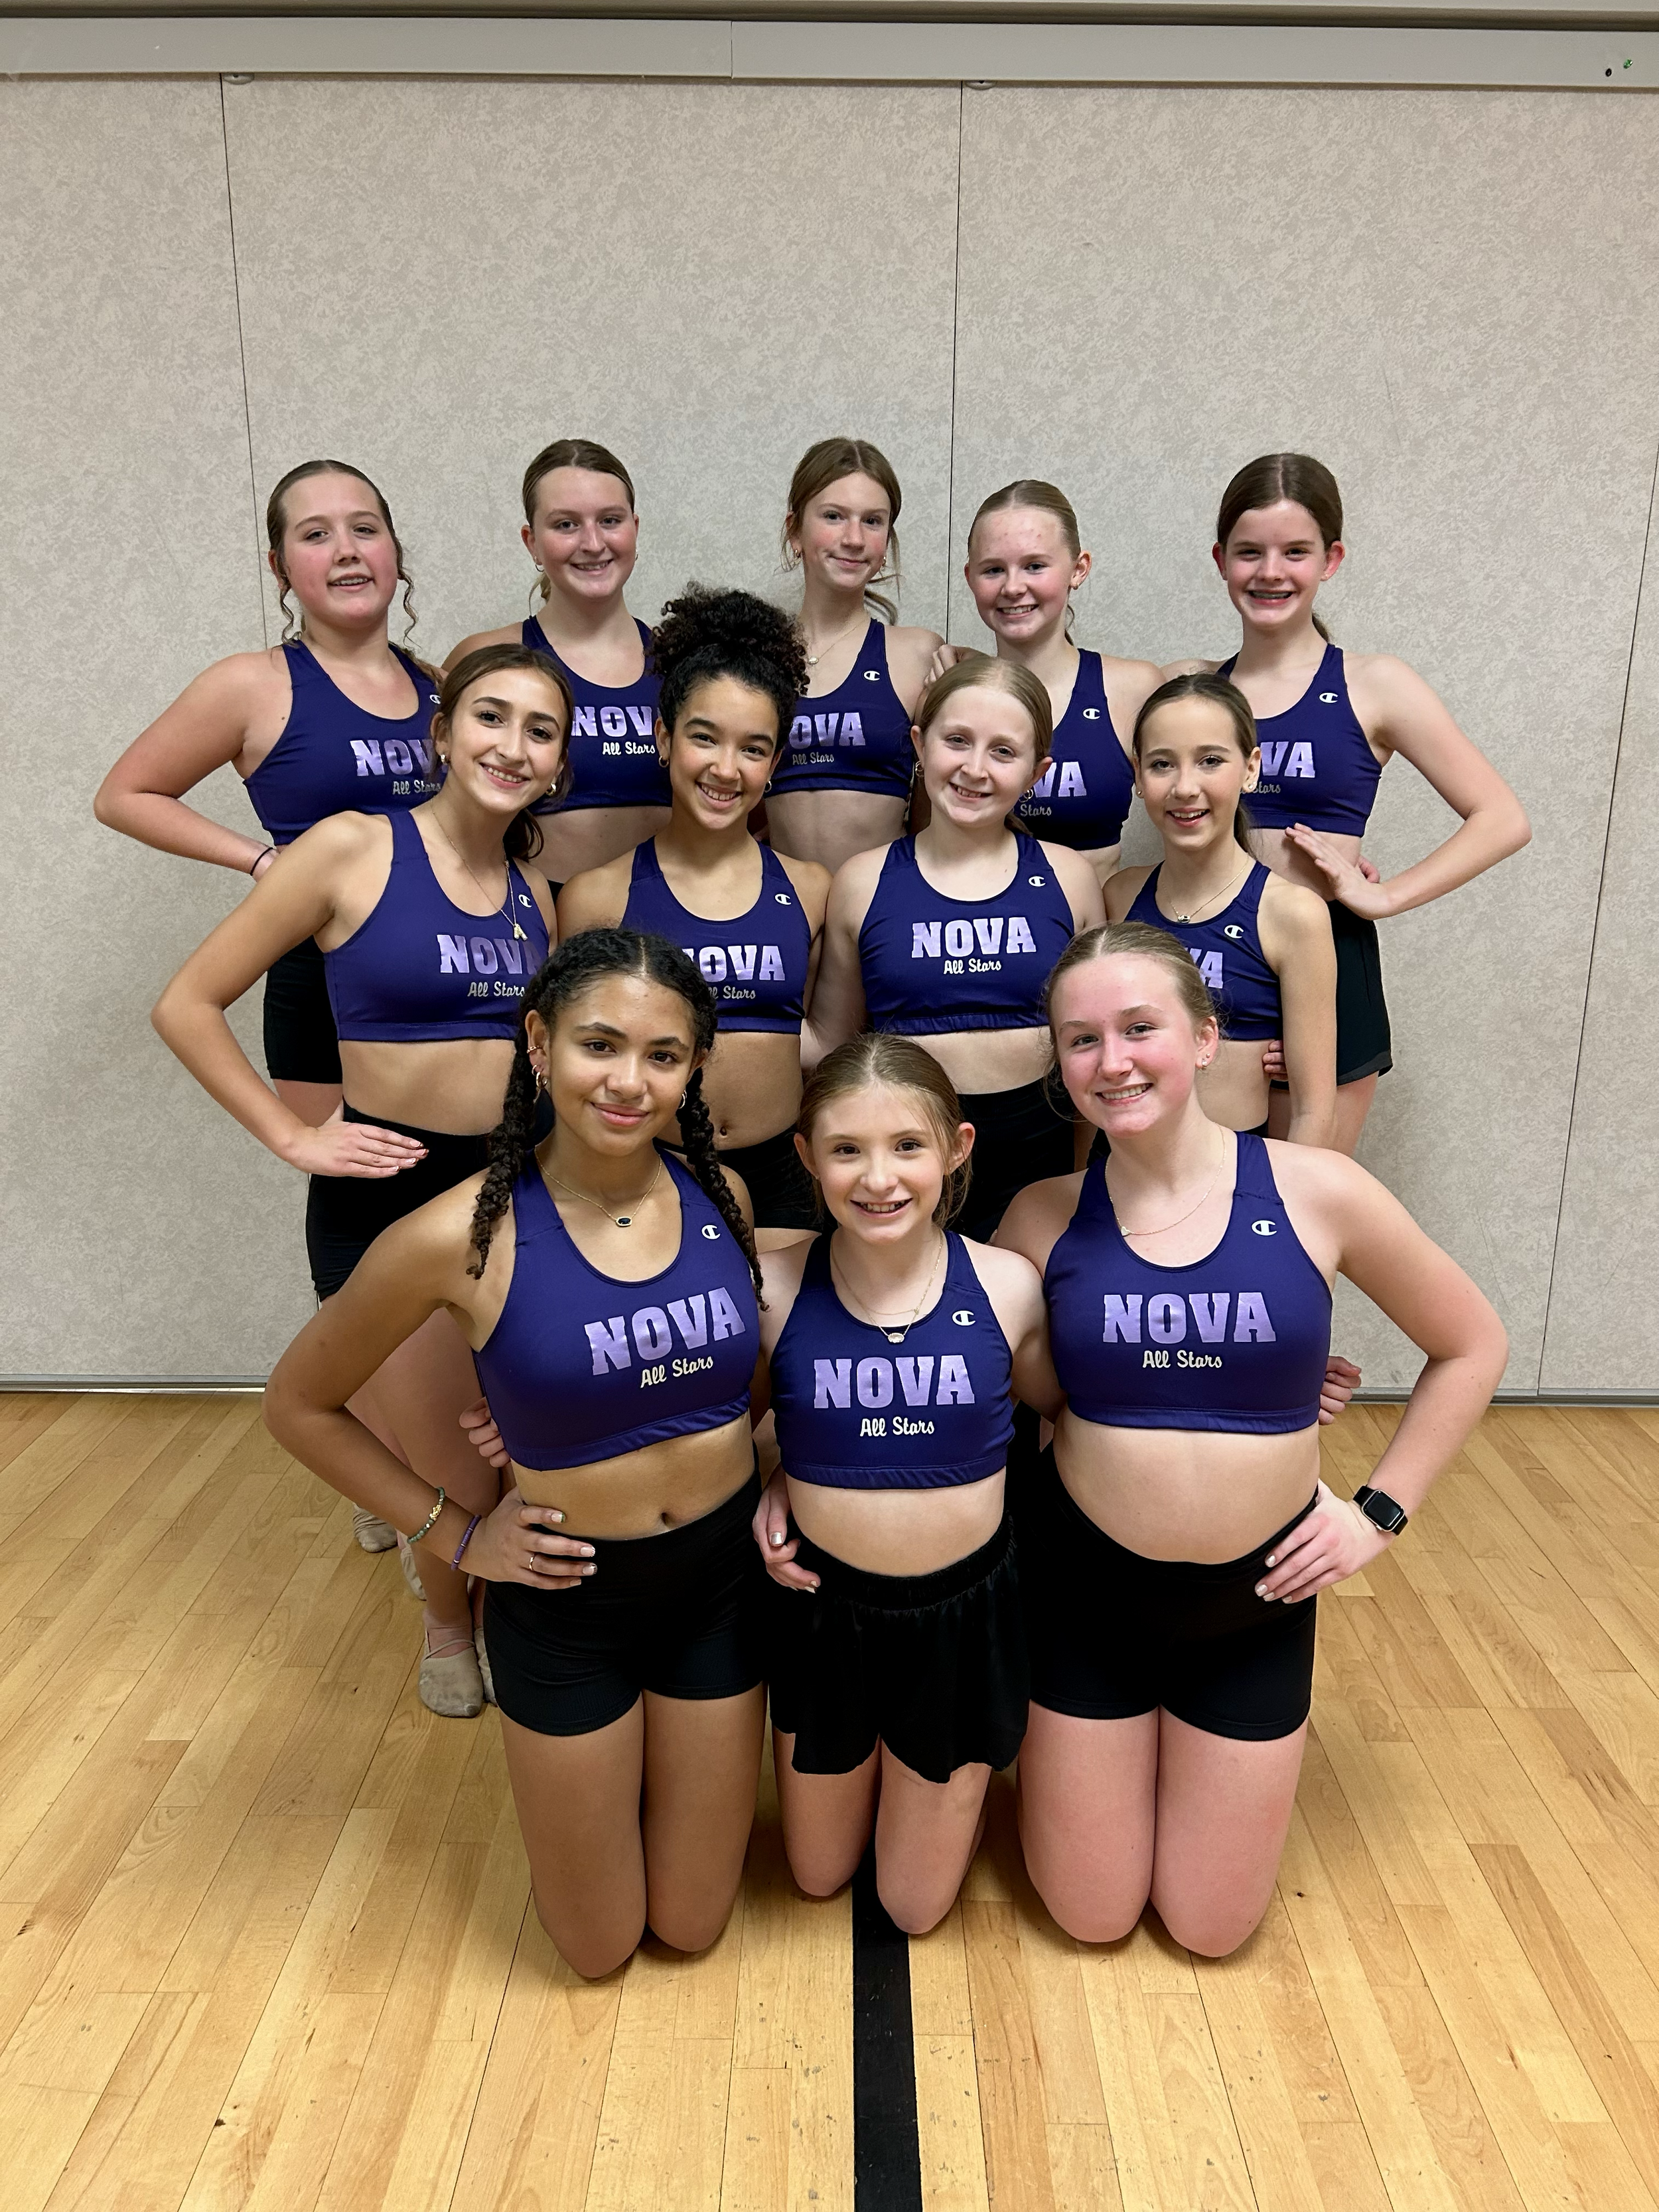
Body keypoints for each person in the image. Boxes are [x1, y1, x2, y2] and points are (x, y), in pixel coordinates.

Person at [265, 928, 768, 1981]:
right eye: (600, 1044)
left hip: (718, 1590)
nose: (629, 1081)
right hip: (568, 1600)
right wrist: (454, 1531)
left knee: (692, 1923)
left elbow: (732, 1380)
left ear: (693, 1070)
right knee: (594, 1949)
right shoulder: (454, 1237)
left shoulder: (726, 1199)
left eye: (664, 1056)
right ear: (538, 1042)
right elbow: (299, 1404)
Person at [997, 922, 1506, 1956]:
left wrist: (1378, 1517)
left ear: (1205, 1037)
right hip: (1087, 1593)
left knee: (1211, 1927)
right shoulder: (1042, 1216)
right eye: (1082, 1038)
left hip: (1257, 1601)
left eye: (1141, 1027)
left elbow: (1473, 1344)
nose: (1113, 1059)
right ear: (1060, 1062)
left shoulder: (1318, 1189)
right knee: (1091, 1916)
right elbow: (1023, 1389)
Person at [153, 645, 568, 1711]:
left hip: (500, 1198)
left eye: (539, 729)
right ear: (441, 732)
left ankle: (467, 1579)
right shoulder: (349, 848)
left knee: (508, 1446)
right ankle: (444, 1615)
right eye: (490, 717)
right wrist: (294, 1138)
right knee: (461, 1478)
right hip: (385, 1198)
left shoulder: (534, 893)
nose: (511, 746)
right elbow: (187, 1004)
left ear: (560, 764)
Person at [751, 1035, 1054, 1933]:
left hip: (961, 1617)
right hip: (822, 1612)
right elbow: (725, 1422)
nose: (877, 1177)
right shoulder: (773, 1288)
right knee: (813, 1875)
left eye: (907, 1147)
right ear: (807, 1157)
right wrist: (780, 1477)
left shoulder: (1007, 1287)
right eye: (847, 1149)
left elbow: (1074, 1413)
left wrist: (1271, 1387)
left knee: (915, 1909)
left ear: (959, 1148)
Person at [1169, 452, 1530, 1151]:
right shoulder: (1190, 685)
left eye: (1294, 552)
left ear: (1330, 559)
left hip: (1325, 967)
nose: (1270, 572)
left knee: (1299, 1217)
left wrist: (1383, 896)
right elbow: (1065, 711)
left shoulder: (1375, 684)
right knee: (1196, 1211)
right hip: (1211, 966)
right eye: (1249, 552)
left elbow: (1501, 818)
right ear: (1220, 560)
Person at [95, 459, 441, 1128]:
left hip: (447, 976)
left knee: (477, 1200)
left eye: (364, 529)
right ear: (280, 567)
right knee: (362, 1193)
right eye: (315, 535)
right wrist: (261, 862)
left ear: (394, 552)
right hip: (324, 984)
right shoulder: (250, 685)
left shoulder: (446, 685)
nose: (346, 550)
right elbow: (125, 795)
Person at [558, 587, 830, 1228]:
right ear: (664, 737)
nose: (725, 768)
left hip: (786, 1170)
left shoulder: (813, 887)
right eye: (704, 737)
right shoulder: (597, 895)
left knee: (783, 1330)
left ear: (775, 762)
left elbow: (826, 1040)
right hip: (650, 1169)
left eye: (753, 748)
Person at [809, 660, 1104, 1240]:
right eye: (957, 741)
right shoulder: (862, 882)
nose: (974, 768)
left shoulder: (1069, 878)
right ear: (920, 745)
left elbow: (1098, 1042)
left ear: (1037, 771)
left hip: (1039, 1152)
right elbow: (832, 1046)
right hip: (901, 1156)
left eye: (1003, 751)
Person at [1106, 674, 1336, 1147]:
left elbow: (1313, 1110)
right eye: (1162, 764)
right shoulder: (1120, 896)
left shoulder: (1293, 914)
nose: (1185, 787)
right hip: (1120, 1166)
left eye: (1210, 760)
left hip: (1235, 1178)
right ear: (1138, 775)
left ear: (1251, 768)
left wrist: (1276, 1206)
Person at [447, 439, 671, 883]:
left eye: (610, 520)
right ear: (532, 542)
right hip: (537, 925)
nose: (592, 543)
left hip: (667, 929)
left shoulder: (683, 660)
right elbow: (435, 811)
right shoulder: (484, 659)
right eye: (566, 524)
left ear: (635, 528)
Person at [930, 480, 1162, 885]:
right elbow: (925, 837)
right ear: (970, 577)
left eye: (1035, 566)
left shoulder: (1134, 688)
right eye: (994, 569)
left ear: (1078, 568)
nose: (1013, 587)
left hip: (1095, 939)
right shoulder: (953, 691)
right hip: (990, 938)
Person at [764, 439, 943, 875]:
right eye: (833, 516)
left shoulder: (920, 655)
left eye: (873, 521)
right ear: (795, 529)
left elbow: (933, 816)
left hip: (881, 906)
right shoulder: (757, 655)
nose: (854, 539)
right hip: (782, 903)